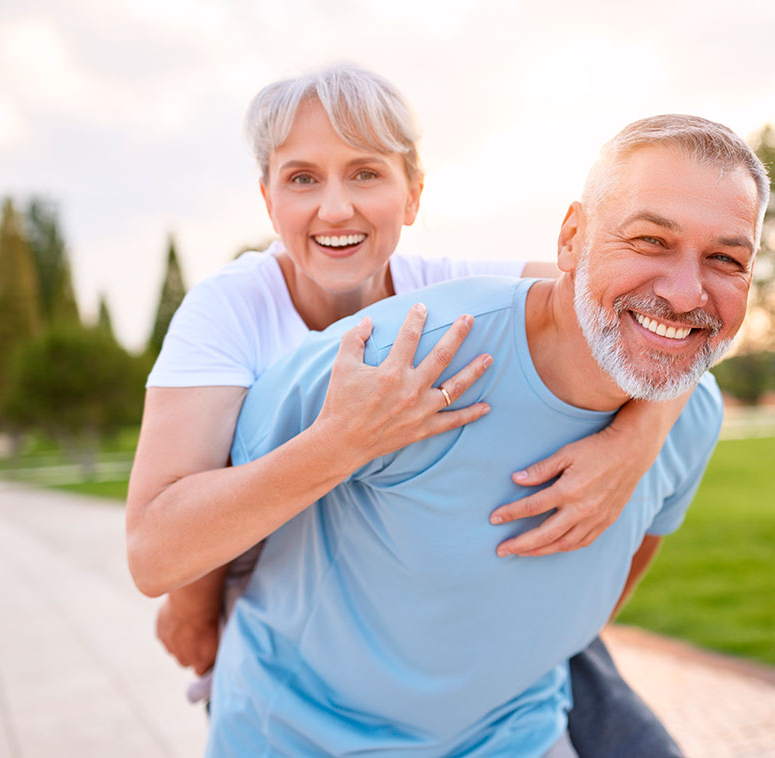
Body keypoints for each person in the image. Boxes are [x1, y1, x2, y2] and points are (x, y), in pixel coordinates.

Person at [125, 63, 692, 754]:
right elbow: (154, 552)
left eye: (365, 173)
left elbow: (648, 312)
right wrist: (341, 445)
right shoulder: (227, 312)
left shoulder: (450, 291)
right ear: (269, 199)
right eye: (303, 178)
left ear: (413, 194)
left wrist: (641, 435)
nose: (335, 207)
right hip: (303, 642)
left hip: (472, 623)